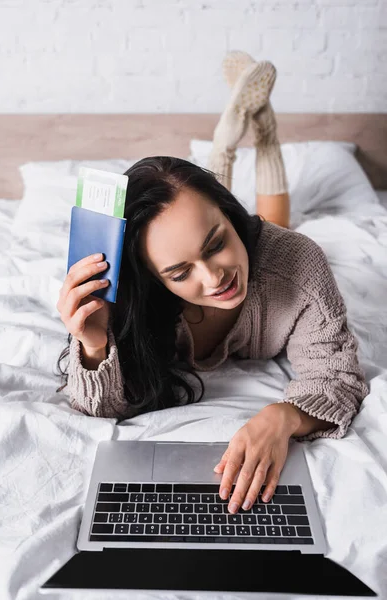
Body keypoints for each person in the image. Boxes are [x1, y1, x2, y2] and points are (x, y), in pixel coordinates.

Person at [56, 52, 369, 516]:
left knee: (281, 223)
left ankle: (254, 139)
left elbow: (337, 378)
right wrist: (94, 341)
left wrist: (282, 416)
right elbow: (101, 408)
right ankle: (225, 144)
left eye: (216, 242)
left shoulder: (298, 264)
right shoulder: (127, 291)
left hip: (267, 244)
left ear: (228, 211)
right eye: (179, 273)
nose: (214, 278)